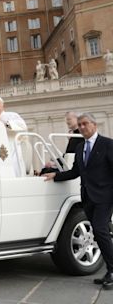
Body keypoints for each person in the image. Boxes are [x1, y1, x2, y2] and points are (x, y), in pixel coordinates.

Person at [44, 113, 113, 288]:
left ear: (94, 125)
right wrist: (55, 175)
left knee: (100, 230)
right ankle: (110, 270)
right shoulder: (80, 146)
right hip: (87, 197)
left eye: (85, 124)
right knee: (97, 234)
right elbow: (75, 172)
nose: (82, 127)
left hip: (104, 197)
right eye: (80, 125)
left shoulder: (108, 144)